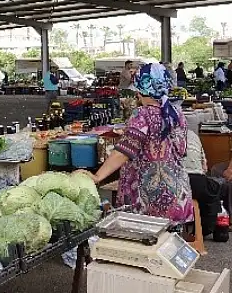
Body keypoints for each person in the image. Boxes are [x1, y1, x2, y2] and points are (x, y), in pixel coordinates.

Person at [80, 63, 193, 224]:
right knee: (168, 245)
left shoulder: (143, 115)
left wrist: (98, 176)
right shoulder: (177, 114)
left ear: (142, 90)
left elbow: (124, 151)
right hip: (178, 195)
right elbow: (182, 150)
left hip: (149, 199)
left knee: (146, 246)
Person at [183, 129, 225, 235]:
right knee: (212, 190)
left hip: (174, 182)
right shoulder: (193, 135)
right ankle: (206, 229)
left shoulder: (163, 134)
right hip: (197, 181)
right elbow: (204, 168)